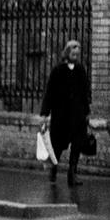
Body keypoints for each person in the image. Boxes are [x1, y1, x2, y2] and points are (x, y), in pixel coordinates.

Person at [40, 39, 90, 186]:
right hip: (61, 115)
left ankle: (72, 173)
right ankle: (53, 169)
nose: (76, 55)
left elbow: (84, 93)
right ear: (67, 53)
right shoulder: (58, 71)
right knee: (57, 144)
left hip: (77, 115)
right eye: (73, 53)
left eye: (77, 53)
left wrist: (86, 112)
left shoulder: (80, 70)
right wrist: (45, 113)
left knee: (77, 144)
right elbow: (50, 92)